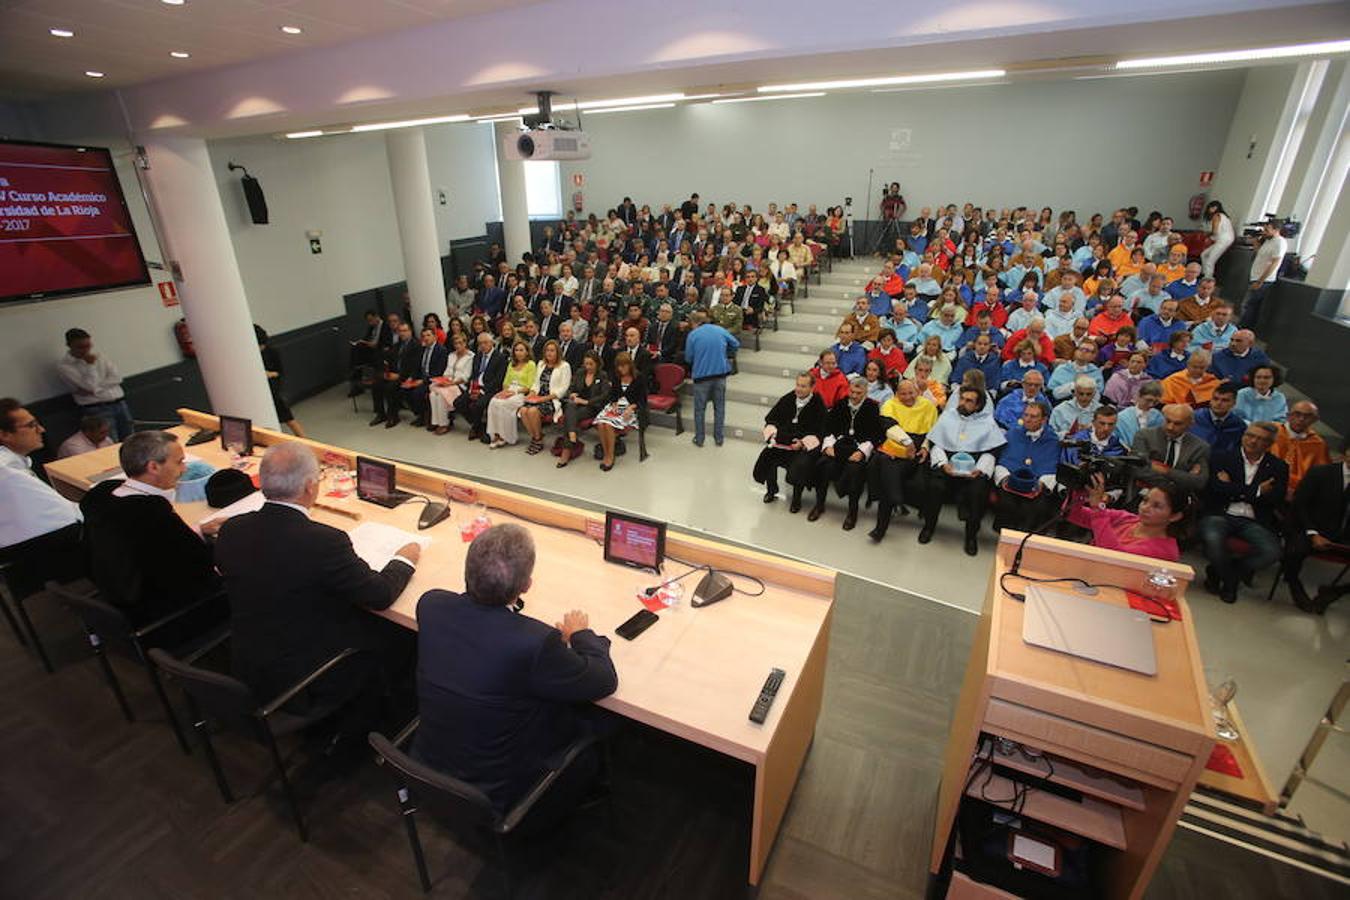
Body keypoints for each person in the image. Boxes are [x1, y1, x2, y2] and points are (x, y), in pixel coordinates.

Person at [215, 443, 421, 741]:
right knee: (403, 634)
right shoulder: (324, 543)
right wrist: (405, 558)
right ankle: (389, 721)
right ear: (311, 486)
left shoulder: (232, 529)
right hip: (306, 677)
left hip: (251, 661)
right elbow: (379, 595)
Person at [413, 523, 616, 820]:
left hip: (427, 769)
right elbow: (603, 679)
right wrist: (581, 636)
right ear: (526, 586)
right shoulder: (534, 642)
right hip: (496, 793)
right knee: (600, 719)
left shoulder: (430, 605)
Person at [77, 430, 224, 626]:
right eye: (179, 462)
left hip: (121, 598)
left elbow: (156, 547)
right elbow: (201, 565)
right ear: (153, 467)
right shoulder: (150, 513)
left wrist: (196, 531)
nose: (184, 469)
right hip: (166, 615)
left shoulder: (103, 497)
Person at [0, 398, 85, 599]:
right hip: (31, 556)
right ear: (4, 435)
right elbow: (67, 517)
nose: (42, 429)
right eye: (31, 425)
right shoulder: (6, 471)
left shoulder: (10, 462)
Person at [1199, 423, 1289, 604]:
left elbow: (1275, 499)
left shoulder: (1278, 467)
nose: (1253, 441)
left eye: (1260, 439)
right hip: (1221, 514)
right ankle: (1231, 583)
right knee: (1213, 540)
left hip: (1254, 520)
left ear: (1269, 444)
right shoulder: (1222, 458)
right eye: (1250, 435)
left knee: (1272, 552)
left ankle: (1224, 572)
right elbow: (1215, 489)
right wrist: (1256, 491)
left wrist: (1232, 488)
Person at [919, 383, 1006, 555]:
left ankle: (971, 536)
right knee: (935, 486)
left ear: (978, 405)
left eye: (969, 401)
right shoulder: (948, 416)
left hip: (973, 470)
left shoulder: (987, 423)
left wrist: (979, 469)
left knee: (978, 492)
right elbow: (936, 443)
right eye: (962, 399)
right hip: (948, 465)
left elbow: (992, 451)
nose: (963, 403)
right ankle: (929, 527)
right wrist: (943, 464)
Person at [807, 376, 885, 531]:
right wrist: (828, 446)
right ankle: (819, 504)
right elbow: (828, 428)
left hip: (857, 449)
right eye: (852, 391)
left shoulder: (872, 407)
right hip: (839, 447)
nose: (854, 396)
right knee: (823, 465)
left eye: (858, 393)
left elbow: (876, 435)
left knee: (855, 471)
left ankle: (852, 512)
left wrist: (862, 453)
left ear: (865, 392)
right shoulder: (841, 404)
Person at [866, 379, 938, 541]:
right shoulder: (889, 405)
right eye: (903, 394)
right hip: (894, 448)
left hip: (918, 452)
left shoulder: (928, 406)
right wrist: (907, 443)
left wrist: (925, 448)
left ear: (918, 392)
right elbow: (889, 427)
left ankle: (893, 506)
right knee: (887, 468)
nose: (907, 397)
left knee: (892, 477)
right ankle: (885, 520)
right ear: (897, 394)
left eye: (911, 393)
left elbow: (932, 431)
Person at [1283, 444, 1350, 614]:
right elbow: (1300, 505)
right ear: (1346, 453)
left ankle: (1335, 591)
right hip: (1310, 528)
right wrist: (1313, 533)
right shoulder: (1321, 473)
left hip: (1344, 535)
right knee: (1295, 551)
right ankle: (1294, 585)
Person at [1067, 473, 1185, 561]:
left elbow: (1113, 557)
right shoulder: (1127, 518)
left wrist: (1098, 507)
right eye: (1145, 501)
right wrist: (1079, 490)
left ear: (1174, 516)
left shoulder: (1165, 550)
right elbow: (1073, 514)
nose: (1145, 508)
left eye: (1157, 506)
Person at [755, 373, 827, 511]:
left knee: (800, 464)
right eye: (797, 385)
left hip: (802, 446)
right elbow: (772, 419)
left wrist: (803, 443)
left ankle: (796, 499)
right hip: (783, 441)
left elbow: (820, 431)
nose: (799, 389)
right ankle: (771, 490)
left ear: (812, 387)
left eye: (803, 386)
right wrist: (773, 434)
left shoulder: (818, 404)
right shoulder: (788, 398)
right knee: (768, 455)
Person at [992, 401, 1061, 531]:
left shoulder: (1052, 440)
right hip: (1011, 482)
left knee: (1036, 507)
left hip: (1036, 486)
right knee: (1007, 502)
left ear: (1044, 419)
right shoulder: (1013, 433)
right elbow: (1003, 461)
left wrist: (1041, 484)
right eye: (1026, 415)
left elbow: (1051, 468)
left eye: (1033, 416)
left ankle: (1024, 541)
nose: (1027, 419)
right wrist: (1006, 479)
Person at [56, 328, 134, 440]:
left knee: (131, 439)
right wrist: (90, 366)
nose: (86, 350)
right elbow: (89, 386)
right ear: (69, 345)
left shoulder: (100, 357)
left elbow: (117, 378)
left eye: (88, 345)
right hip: (97, 409)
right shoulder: (64, 366)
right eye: (80, 347)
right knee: (110, 442)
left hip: (119, 403)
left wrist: (96, 390)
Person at [684, 310, 740, 448]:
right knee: (719, 407)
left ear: (695, 322)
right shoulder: (720, 330)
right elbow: (736, 344)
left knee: (699, 410)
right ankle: (719, 438)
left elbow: (688, 358)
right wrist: (724, 354)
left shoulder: (693, 335)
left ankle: (700, 438)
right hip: (720, 376)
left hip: (701, 377)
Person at [1131, 403, 1211, 496]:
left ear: (1190, 425)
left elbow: (1198, 482)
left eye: (1177, 423)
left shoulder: (1199, 447)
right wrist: (1180, 478)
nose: (1170, 427)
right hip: (1142, 494)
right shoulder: (1145, 436)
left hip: (1178, 501)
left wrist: (1166, 471)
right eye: (1168, 421)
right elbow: (1138, 470)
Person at [518, 339, 573, 455]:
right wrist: (531, 393)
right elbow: (535, 383)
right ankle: (536, 437)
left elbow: (563, 389)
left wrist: (544, 398)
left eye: (552, 350)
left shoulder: (564, 366)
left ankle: (537, 440)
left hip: (552, 399)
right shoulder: (541, 364)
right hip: (538, 396)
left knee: (532, 411)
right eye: (547, 350)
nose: (549, 353)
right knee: (523, 410)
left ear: (558, 352)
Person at [556, 351, 610, 468]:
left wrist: (586, 402)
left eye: (591, 364)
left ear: (597, 364)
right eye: (586, 364)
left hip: (592, 406)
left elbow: (604, 395)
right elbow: (571, 388)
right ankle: (572, 433)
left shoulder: (602, 375)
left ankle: (566, 451)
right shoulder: (580, 373)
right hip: (576, 404)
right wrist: (572, 394)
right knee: (570, 406)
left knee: (569, 417)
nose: (588, 367)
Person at [594, 352, 646, 471]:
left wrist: (631, 407)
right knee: (601, 423)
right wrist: (614, 403)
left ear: (630, 365)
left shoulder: (639, 378)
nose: (621, 369)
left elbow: (642, 400)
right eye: (619, 366)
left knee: (607, 424)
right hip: (617, 407)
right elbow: (612, 395)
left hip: (631, 409)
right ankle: (606, 451)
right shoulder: (616, 377)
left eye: (623, 366)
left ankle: (610, 456)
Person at [456, 332, 508, 443]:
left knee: (478, 405)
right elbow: (473, 375)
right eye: (480, 343)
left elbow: (498, 381)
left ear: (492, 343)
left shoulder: (500, 357)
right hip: (474, 387)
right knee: (458, 402)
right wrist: (471, 389)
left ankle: (476, 427)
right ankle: (478, 425)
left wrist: (482, 391)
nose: (483, 346)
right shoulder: (478, 356)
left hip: (489, 389)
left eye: (485, 343)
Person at [485, 341, 538, 449]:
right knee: (494, 401)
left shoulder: (531, 365)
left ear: (527, 352)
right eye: (516, 350)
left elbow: (529, 386)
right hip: (509, 390)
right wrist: (504, 392)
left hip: (521, 392)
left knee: (503, 405)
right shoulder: (511, 364)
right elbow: (505, 382)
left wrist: (514, 392)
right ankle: (495, 434)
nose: (519, 353)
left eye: (521, 350)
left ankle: (505, 436)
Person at [1271, 400, 1330, 496]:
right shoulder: (1272, 433)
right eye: (1297, 414)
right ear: (1288, 415)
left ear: (1315, 419)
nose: (1301, 419)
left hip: (1301, 491)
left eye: (1308, 416)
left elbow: (1322, 475)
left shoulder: (1318, 444)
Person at [1240, 218, 1288, 330]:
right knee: (1251, 306)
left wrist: (1260, 281)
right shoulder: (1268, 240)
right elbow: (1261, 255)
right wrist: (1256, 243)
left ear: (1276, 230)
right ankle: (1246, 328)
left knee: (1248, 305)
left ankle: (1243, 328)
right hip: (1255, 276)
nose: (1264, 232)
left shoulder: (1280, 242)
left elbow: (1275, 263)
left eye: (1267, 229)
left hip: (1263, 280)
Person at [428, 331, 475, 435]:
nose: (457, 345)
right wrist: (443, 380)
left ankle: (444, 424)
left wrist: (451, 383)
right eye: (455, 343)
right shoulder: (451, 355)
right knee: (433, 394)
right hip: (448, 383)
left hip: (460, 385)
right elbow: (447, 372)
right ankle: (437, 422)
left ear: (465, 343)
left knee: (440, 395)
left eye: (460, 343)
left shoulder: (471, 356)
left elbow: (466, 377)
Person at [348, 309, 389, 396]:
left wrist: (370, 344)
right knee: (355, 349)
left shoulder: (386, 326)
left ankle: (356, 371)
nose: (370, 323)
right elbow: (366, 338)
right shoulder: (371, 327)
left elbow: (384, 343)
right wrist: (363, 342)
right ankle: (355, 373)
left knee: (362, 355)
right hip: (370, 349)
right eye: (368, 321)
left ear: (376, 317)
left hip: (380, 350)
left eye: (371, 320)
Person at [1115, 381, 1164, 448]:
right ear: (1139, 396)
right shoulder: (1122, 417)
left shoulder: (1158, 417)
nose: (1151, 405)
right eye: (1148, 400)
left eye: (1156, 402)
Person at [1200, 200, 1235, 279]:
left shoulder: (1216, 216)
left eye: (1211, 207)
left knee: (1210, 260)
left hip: (1223, 240)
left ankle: (1208, 278)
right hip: (1224, 239)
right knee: (1204, 255)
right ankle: (1204, 274)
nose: (1210, 209)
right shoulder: (1224, 216)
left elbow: (1214, 231)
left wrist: (1207, 236)